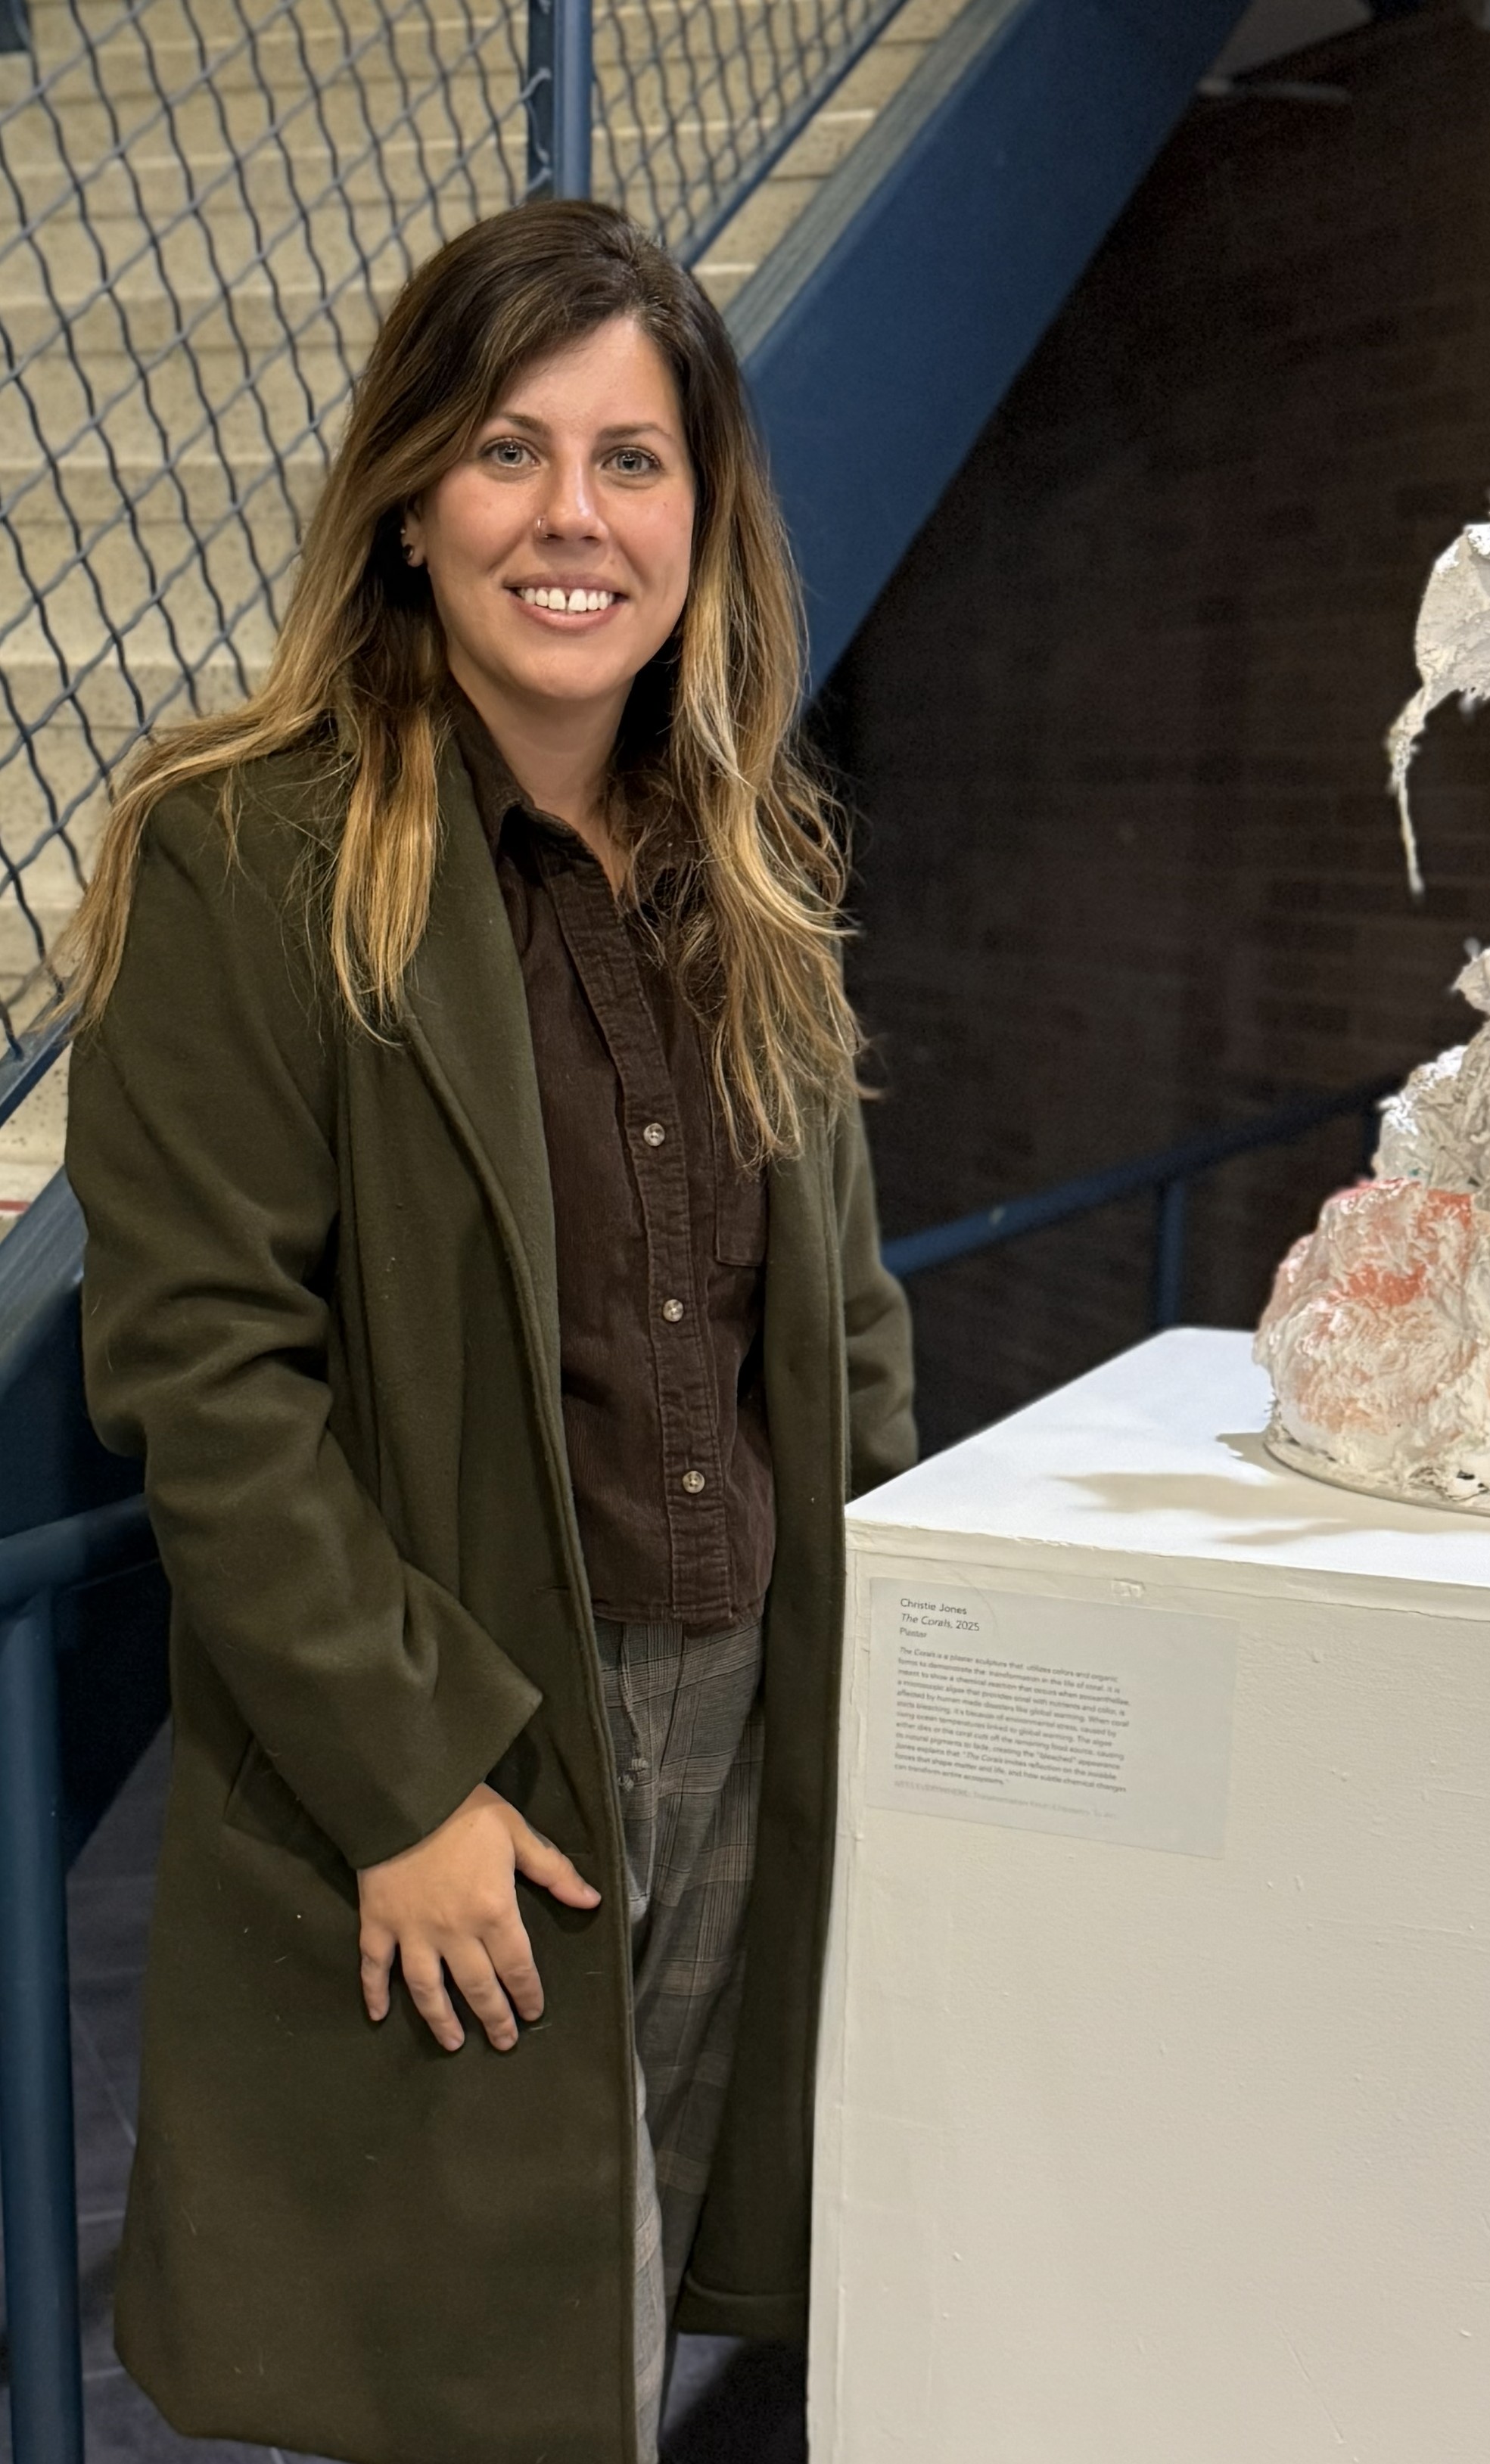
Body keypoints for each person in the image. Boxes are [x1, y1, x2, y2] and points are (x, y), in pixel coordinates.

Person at [61, 199, 913, 2464]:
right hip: (473, 1732)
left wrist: (896, 1648)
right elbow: (206, 1385)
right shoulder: (246, 858)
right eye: (512, 450)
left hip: (741, 1703)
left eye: (635, 461)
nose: (573, 518)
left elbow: (841, 1327)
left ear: (703, 516)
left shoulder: (753, 869)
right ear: (412, 492)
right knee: (468, 2369)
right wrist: (405, 1773)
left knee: (626, 2322)